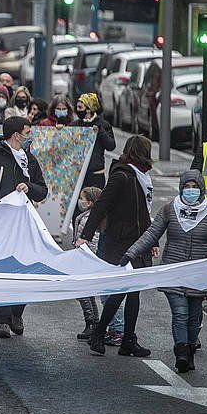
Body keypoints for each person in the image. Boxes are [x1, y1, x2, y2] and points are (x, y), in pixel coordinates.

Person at [125, 170, 207, 373]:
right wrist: (131, 253)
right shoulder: (170, 209)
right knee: (180, 313)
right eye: (186, 187)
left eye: (194, 187)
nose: (190, 191)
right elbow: (152, 233)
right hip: (174, 270)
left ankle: (189, 350)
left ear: (201, 189)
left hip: (199, 273)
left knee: (194, 316)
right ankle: (181, 352)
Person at [0, 116, 49, 337]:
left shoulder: (29, 161)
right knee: (1, 270)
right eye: (27, 132)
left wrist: (29, 186)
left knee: (24, 270)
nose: (29, 137)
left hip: (23, 226)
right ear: (16, 135)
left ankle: (17, 311)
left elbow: (42, 190)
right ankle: (2, 319)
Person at [79, 134, 156, 358]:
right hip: (120, 242)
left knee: (134, 292)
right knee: (122, 290)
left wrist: (151, 240)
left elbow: (144, 213)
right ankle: (101, 333)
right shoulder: (122, 176)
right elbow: (101, 206)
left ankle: (127, 340)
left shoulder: (143, 177)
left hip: (138, 241)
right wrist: (85, 235)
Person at [70, 186, 103, 340]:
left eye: (82, 199)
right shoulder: (86, 216)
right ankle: (94, 323)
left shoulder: (88, 218)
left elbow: (92, 240)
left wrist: (84, 255)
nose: (80, 201)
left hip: (86, 259)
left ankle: (91, 323)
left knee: (83, 293)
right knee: (88, 293)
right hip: (85, 258)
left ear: (90, 202)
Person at [75, 93, 116, 189]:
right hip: (78, 175)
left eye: (80, 107)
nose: (77, 110)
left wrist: (100, 131)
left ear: (88, 109)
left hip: (96, 175)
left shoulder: (103, 125)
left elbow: (111, 146)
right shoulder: (75, 125)